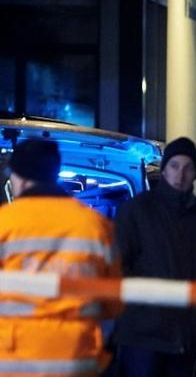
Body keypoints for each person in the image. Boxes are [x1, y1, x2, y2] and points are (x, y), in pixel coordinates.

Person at [0, 139, 121, 376]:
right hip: (76, 361)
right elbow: (113, 304)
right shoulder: (96, 226)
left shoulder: (5, 223)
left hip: (15, 362)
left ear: (21, 180)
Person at [113, 137, 196, 377]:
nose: (180, 174)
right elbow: (119, 266)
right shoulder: (137, 210)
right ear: (164, 169)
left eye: (188, 167)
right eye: (174, 166)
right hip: (143, 333)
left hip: (185, 334)